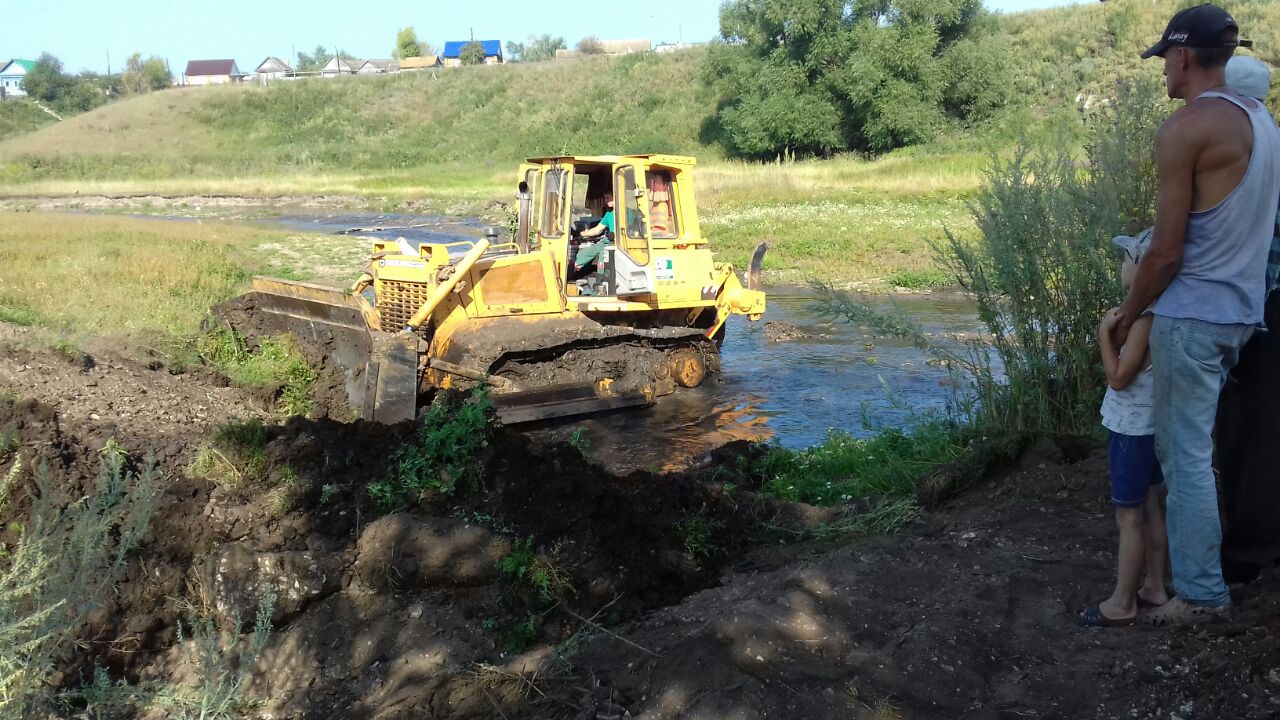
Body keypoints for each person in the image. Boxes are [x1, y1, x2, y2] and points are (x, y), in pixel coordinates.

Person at [1113, 4, 1280, 625]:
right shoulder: (1262, 123)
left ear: (1182, 56)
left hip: (1193, 316)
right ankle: (1198, 576)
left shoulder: (1187, 128)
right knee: (1200, 456)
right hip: (1240, 311)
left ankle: (1203, 595)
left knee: (1184, 461)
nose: (1163, 71)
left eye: (1164, 59)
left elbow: (1166, 250)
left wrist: (1132, 312)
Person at [1082, 230, 1171, 627]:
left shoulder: (1143, 323)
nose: (1122, 266)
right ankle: (1154, 586)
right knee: (1151, 507)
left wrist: (1103, 335)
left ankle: (1122, 603)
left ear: (1143, 268)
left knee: (1128, 517)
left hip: (1133, 431)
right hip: (1152, 427)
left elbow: (1118, 378)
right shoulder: (1164, 312)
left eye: (1127, 259)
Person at [1215, 55, 1280, 583]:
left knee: (1247, 425)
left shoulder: (1244, 145)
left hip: (1258, 307)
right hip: (1263, 302)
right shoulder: (1271, 136)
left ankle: (1248, 550)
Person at [573, 192, 615, 274]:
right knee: (584, 253)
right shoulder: (608, 214)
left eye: (608, 198)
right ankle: (572, 269)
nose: (606, 201)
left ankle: (601, 278)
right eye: (605, 198)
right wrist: (581, 234)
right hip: (608, 240)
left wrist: (615, 234)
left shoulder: (627, 213)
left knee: (604, 254)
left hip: (619, 242)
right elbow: (597, 230)